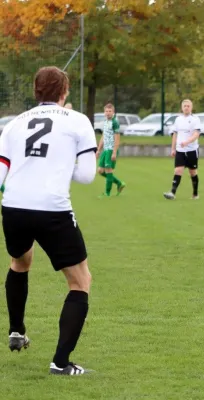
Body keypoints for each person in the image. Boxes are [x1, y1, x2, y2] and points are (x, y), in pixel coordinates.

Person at [0, 66, 97, 375]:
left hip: (13, 206)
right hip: (52, 209)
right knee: (80, 282)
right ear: (65, 92)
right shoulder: (79, 121)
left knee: (19, 261)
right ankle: (61, 362)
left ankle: (16, 329)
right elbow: (86, 176)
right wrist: (58, 165)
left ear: (35, 91)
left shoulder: (14, 124)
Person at [163, 99, 202, 200]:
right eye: (184, 106)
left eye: (188, 106)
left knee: (192, 172)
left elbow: (196, 134)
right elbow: (175, 134)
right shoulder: (178, 119)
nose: (186, 108)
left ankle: (195, 193)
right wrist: (173, 149)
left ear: (191, 107)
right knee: (178, 170)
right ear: (181, 108)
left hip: (192, 150)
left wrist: (187, 142)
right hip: (180, 150)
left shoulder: (195, 119)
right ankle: (172, 192)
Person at [96, 103, 126, 197]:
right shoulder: (105, 122)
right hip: (105, 150)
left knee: (108, 170)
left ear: (113, 112)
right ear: (104, 112)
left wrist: (114, 152)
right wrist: (99, 149)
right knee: (100, 171)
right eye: (106, 111)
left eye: (110, 111)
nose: (108, 113)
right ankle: (119, 183)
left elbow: (117, 138)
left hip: (111, 149)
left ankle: (107, 193)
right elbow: (103, 136)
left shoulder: (115, 122)